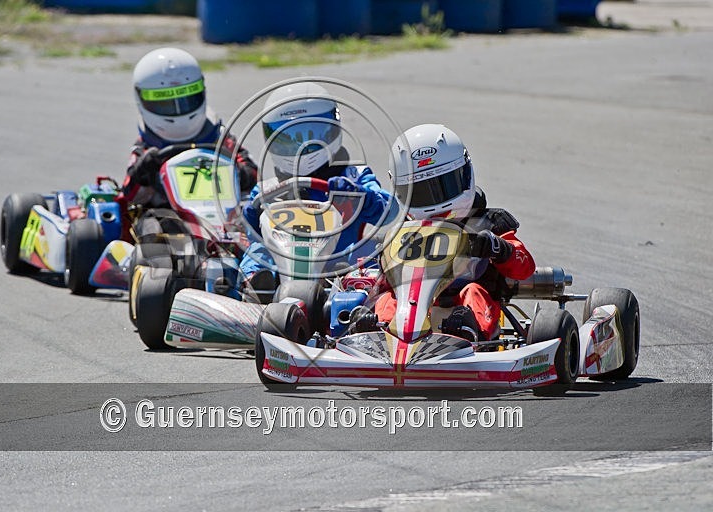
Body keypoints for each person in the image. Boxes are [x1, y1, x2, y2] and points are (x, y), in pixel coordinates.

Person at [375, 123, 536, 341]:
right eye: (420, 193)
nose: (434, 204)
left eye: (444, 185)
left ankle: (470, 334)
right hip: (413, 307)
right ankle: (378, 332)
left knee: (473, 292)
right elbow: (382, 284)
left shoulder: (488, 223)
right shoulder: (402, 232)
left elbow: (524, 267)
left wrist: (497, 247)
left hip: (466, 306)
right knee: (388, 299)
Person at [239, 81, 391, 296]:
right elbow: (251, 234)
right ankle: (256, 286)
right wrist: (252, 215)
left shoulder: (354, 176)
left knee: (372, 249)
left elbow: (389, 212)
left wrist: (361, 197)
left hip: (339, 273)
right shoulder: (268, 189)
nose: (300, 147)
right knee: (257, 249)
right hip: (283, 276)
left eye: (310, 136)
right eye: (289, 139)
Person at [115, 47, 257, 239]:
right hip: (169, 222)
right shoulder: (148, 145)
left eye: (186, 96)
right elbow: (128, 198)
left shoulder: (218, 135)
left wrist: (241, 174)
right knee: (150, 229)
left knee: (258, 222)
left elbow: (255, 177)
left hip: (227, 220)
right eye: (164, 101)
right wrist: (144, 173)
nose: (177, 108)